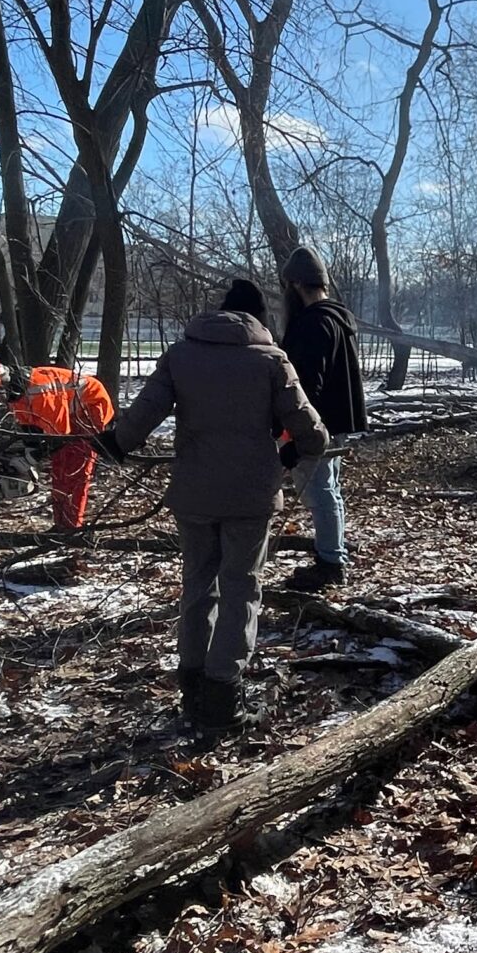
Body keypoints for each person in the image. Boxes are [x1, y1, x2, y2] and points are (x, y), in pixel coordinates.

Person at [97, 280, 327, 727]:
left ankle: (192, 681)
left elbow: (143, 413)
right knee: (241, 588)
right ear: (259, 319)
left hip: (194, 493)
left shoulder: (182, 355)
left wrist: (114, 443)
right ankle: (223, 695)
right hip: (251, 495)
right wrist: (296, 449)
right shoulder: (271, 360)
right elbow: (312, 431)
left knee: (198, 584)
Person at [279, 245, 364, 588]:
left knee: (319, 492)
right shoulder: (337, 318)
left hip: (318, 425)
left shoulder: (313, 324)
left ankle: (330, 563)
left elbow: (305, 387)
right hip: (333, 422)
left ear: (297, 285)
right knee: (329, 489)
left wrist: (298, 436)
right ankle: (333, 553)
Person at [10, 362, 116, 532]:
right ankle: (60, 523)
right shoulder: (15, 393)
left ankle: (72, 527)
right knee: (59, 466)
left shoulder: (40, 393)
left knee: (77, 469)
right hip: (67, 409)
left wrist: (32, 458)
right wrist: (29, 453)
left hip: (91, 404)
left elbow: (58, 436)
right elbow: (30, 428)